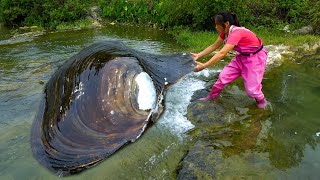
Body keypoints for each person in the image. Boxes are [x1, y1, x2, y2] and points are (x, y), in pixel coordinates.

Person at [192, 11, 268, 109]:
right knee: (223, 76)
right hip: (241, 57)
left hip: (255, 59)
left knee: (252, 91)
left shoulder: (237, 32)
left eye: (217, 25)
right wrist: (198, 55)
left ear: (226, 24)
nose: (216, 27)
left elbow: (222, 53)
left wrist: (204, 66)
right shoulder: (225, 33)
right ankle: (211, 97)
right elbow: (214, 46)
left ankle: (261, 102)